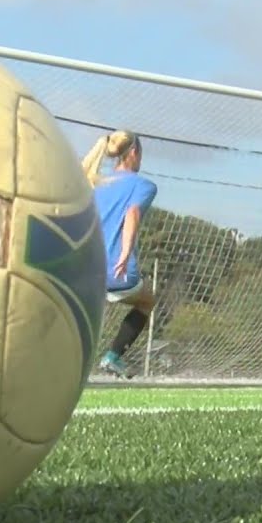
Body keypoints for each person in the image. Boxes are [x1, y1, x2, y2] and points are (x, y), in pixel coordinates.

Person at [81, 129, 158, 378]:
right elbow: (132, 214)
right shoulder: (143, 185)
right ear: (134, 152)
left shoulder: (94, 182)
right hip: (116, 272)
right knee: (147, 301)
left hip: (82, 268)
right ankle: (113, 357)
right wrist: (125, 254)